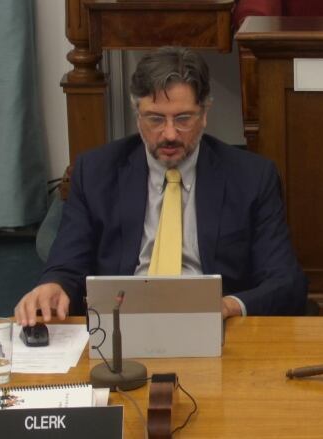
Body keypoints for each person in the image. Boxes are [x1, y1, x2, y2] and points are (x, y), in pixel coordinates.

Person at [15, 47, 307, 326]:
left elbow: (285, 282)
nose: (169, 134)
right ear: (137, 115)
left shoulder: (251, 176)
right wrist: (53, 285)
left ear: (204, 113)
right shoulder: (96, 172)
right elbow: (67, 263)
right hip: (121, 326)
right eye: (155, 119)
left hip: (215, 327)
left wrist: (228, 305)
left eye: (183, 119)